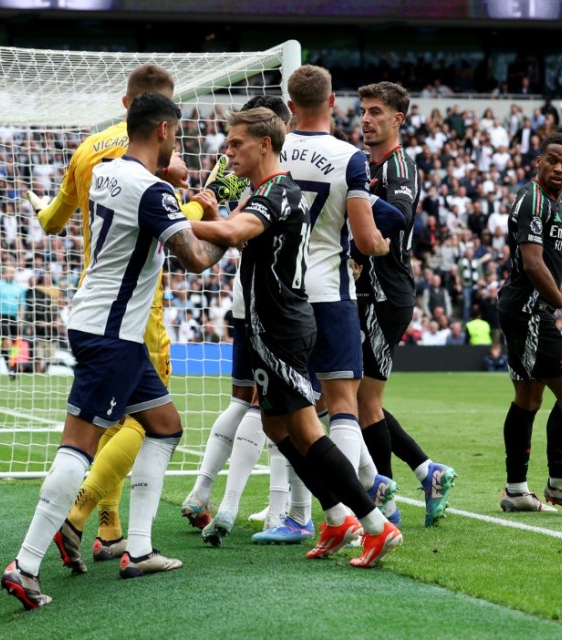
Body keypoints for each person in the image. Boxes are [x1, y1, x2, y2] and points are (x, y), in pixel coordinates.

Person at [1, 91, 230, 609]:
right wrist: (227, 235)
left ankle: (139, 550)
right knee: (78, 448)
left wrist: (172, 192)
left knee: (166, 427)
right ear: (165, 133)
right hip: (111, 335)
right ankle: (25, 563)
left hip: (102, 326)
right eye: (178, 134)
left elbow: (134, 210)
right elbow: (194, 258)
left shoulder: (106, 172)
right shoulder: (152, 192)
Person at [189, 106, 401, 567]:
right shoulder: (263, 192)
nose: (228, 153)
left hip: (282, 326)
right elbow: (234, 238)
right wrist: (210, 215)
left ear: (265, 144)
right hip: (269, 324)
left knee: (305, 428)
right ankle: (337, 518)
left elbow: (231, 231)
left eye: (236, 144)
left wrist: (170, 220)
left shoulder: (277, 193)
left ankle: (371, 524)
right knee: (273, 424)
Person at [180, 95, 298, 541]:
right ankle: (276, 508)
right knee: (281, 407)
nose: (231, 152)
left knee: (244, 401)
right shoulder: (283, 167)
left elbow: (232, 228)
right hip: (286, 300)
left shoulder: (230, 172)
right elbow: (237, 229)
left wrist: (210, 220)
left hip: (246, 295)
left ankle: (202, 491)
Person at [346, 81, 455, 530]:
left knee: (363, 402)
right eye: (363, 111)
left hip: (386, 292)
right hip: (369, 292)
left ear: (398, 120)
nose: (366, 119)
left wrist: (355, 238)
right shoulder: (366, 164)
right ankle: (428, 472)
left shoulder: (399, 165)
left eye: (375, 112)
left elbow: (399, 216)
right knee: (353, 397)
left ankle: (384, 508)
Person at [495, 133, 562, 515]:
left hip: (526, 310)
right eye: (551, 160)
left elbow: (548, 265)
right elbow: (533, 262)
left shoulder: (555, 203)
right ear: (538, 161)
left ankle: (517, 490)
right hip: (528, 313)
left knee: (528, 399)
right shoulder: (533, 200)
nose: (558, 168)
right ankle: (558, 483)